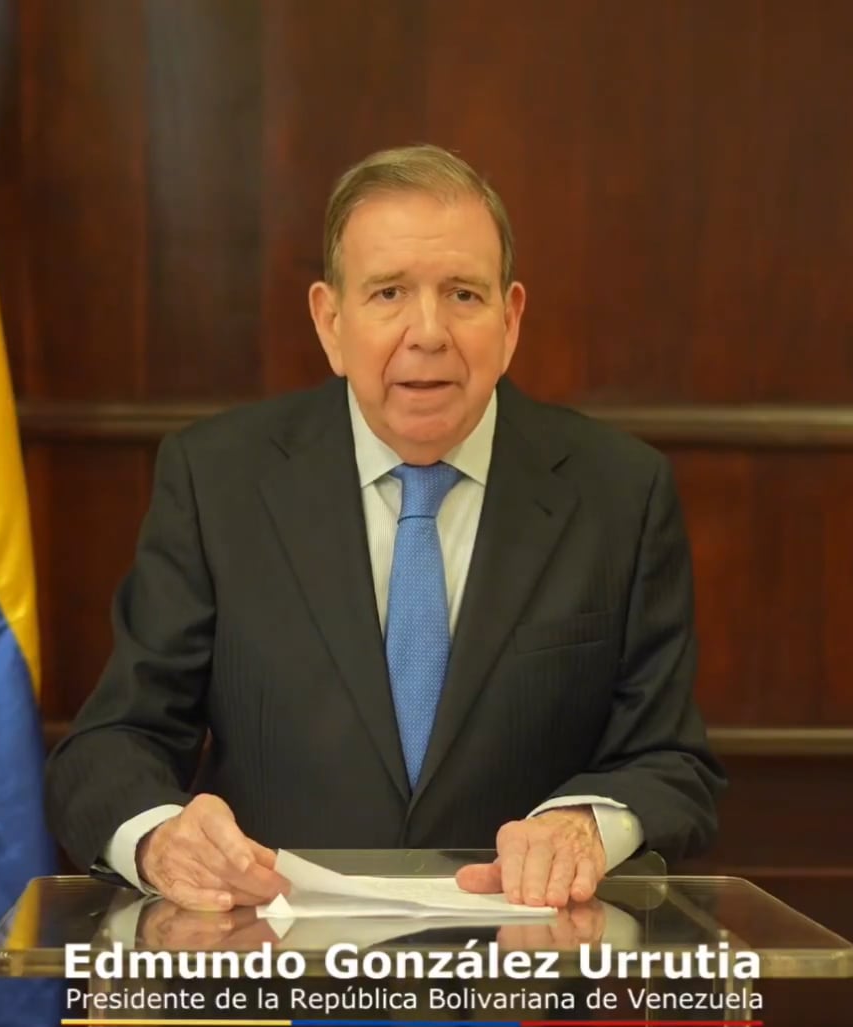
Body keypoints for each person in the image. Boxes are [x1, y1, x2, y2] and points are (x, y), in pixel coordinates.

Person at [44, 143, 724, 913]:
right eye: (389, 293)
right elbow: (109, 744)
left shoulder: (618, 491)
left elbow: (669, 759)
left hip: (522, 969)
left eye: (463, 294)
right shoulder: (218, 480)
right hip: (281, 962)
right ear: (330, 321)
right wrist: (161, 837)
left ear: (510, 317)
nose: (427, 331)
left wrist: (585, 824)